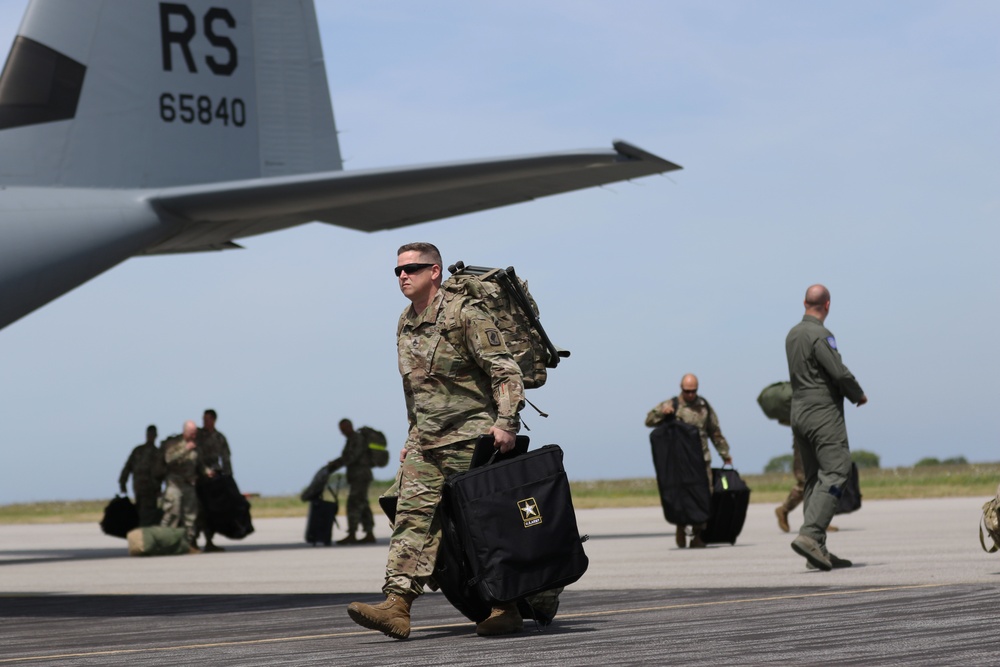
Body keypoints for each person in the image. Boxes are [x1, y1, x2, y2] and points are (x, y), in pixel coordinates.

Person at [347, 242, 525, 640]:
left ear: (436, 272)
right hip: (427, 444)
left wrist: (507, 422)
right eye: (398, 271)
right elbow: (416, 390)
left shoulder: (465, 314)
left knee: (481, 527)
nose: (403, 276)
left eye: (412, 268)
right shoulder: (405, 322)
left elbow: (505, 370)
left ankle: (506, 605)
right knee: (411, 519)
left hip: (472, 439)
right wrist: (413, 436)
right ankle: (397, 605)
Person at [785, 284, 866, 571]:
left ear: (804, 302)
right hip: (821, 413)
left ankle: (816, 550)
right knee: (836, 470)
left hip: (799, 412)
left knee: (813, 479)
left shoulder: (793, 334)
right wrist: (857, 393)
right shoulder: (820, 335)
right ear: (828, 305)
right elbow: (837, 370)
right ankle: (810, 535)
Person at [645, 373, 733, 548]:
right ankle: (680, 527)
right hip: (680, 463)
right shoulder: (672, 405)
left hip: (701, 460)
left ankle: (698, 535)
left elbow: (715, 431)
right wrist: (662, 413)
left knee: (704, 496)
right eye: (687, 391)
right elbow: (649, 421)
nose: (690, 394)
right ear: (681, 388)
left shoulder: (704, 406)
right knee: (680, 496)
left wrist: (725, 454)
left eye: (693, 391)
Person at [329, 418, 375, 545]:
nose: (343, 432)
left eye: (344, 429)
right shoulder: (351, 440)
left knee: (353, 504)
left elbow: (351, 457)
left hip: (361, 476)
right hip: (357, 477)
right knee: (363, 504)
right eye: (341, 430)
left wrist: (335, 464)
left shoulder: (357, 439)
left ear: (350, 427)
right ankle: (369, 533)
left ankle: (352, 533)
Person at [161, 420, 202, 554]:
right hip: (175, 486)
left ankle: (188, 544)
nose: (194, 435)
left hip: (189, 485)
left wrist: (207, 471)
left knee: (190, 518)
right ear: (185, 431)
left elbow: (199, 463)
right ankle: (165, 544)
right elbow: (168, 459)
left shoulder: (196, 445)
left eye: (195, 432)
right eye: (191, 432)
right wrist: (186, 449)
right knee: (172, 514)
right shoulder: (174, 443)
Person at [196, 408, 232, 553]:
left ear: (214, 420)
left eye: (207, 419)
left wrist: (228, 478)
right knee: (198, 510)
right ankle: (192, 541)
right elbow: (194, 456)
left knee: (213, 511)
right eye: (203, 419)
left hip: (215, 480)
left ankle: (209, 541)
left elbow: (226, 458)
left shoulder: (219, 437)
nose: (205, 422)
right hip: (200, 478)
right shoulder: (198, 436)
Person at [118, 425, 165, 526]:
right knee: (142, 513)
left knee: (148, 514)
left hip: (151, 490)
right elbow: (127, 467)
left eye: (152, 434)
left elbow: (162, 473)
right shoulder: (138, 451)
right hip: (140, 489)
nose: (151, 436)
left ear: (155, 436)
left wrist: (160, 489)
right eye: (149, 434)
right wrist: (122, 483)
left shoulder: (157, 453)